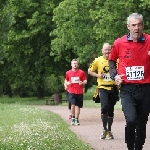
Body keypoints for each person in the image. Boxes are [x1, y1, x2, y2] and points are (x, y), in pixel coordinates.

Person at [109, 13, 150, 150]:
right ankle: (130, 147)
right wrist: (115, 76)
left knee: (142, 123)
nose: (136, 28)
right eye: (133, 25)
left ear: (143, 26)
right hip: (127, 88)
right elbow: (111, 60)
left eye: (139, 24)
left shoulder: (149, 40)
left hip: (146, 89)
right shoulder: (119, 43)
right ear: (128, 27)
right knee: (131, 120)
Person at [88, 43, 119, 140]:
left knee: (111, 110)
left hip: (113, 88)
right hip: (102, 87)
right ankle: (104, 129)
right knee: (104, 107)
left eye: (109, 49)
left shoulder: (116, 60)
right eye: (105, 50)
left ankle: (109, 130)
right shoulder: (98, 60)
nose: (107, 52)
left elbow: (121, 70)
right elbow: (89, 71)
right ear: (102, 51)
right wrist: (98, 75)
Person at [65, 59, 87, 125]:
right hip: (71, 91)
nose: (75, 65)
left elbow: (85, 81)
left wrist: (82, 82)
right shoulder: (68, 73)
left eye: (76, 63)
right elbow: (66, 80)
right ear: (71, 65)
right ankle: (73, 118)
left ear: (78, 65)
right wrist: (67, 83)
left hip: (79, 92)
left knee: (78, 106)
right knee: (73, 104)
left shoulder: (81, 72)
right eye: (74, 63)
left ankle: (77, 119)